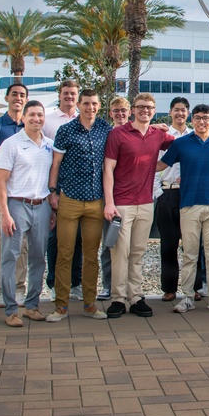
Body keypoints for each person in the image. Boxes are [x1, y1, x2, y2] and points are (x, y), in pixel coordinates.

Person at [103, 93, 175, 317]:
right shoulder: (118, 134)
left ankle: (135, 297)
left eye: (150, 107)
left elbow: (190, 142)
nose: (145, 110)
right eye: (141, 107)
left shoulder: (158, 135)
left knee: (137, 253)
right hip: (121, 203)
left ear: (154, 112)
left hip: (146, 202)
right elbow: (108, 169)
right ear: (133, 109)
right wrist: (109, 203)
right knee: (119, 253)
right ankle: (117, 298)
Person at [45, 89, 112, 323]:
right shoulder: (66, 130)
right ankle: (61, 305)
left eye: (94, 103)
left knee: (91, 255)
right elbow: (55, 164)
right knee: (65, 253)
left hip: (95, 201)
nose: (90, 108)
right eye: (86, 103)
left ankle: (89, 304)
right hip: (70, 199)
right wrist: (53, 192)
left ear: (99, 105)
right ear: (79, 105)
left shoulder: (106, 129)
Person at [158, 103, 209, 314]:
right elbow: (160, 165)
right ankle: (187, 296)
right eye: (197, 117)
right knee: (189, 253)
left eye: (205, 117)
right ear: (192, 120)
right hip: (188, 205)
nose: (201, 121)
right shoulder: (181, 143)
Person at [0, 100, 54, 327]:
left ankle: (32, 306)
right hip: (17, 204)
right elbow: (1, 182)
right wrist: (5, 213)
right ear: (24, 118)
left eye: (40, 115)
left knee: (38, 258)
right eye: (32, 115)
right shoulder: (11, 144)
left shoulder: (49, 145)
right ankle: (11, 310)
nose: (36, 119)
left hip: (42, 204)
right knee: (11, 256)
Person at [0, 83, 29, 308]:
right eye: (14, 95)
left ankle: (19, 286)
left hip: (23, 196)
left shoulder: (31, 126)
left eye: (22, 95)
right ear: (6, 98)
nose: (18, 98)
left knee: (22, 243)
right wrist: (4, 188)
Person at [154, 97, 206, 302]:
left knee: (193, 244)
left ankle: (195, 287)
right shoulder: (161, 136)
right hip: (168, 192)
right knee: (168, 243)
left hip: (190, 193)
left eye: (184, 110)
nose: (180, 113)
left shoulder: (196, 136)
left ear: (189, 114)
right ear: (170, 112)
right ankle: (169, 288)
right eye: (176, 110)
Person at [43, 80, 83, 301]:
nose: (69, 97)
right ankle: (54, 283)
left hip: (81, 187)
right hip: (57, 185)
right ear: (60, 95)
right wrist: (52, 190)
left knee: (78, 238)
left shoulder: (83, 119)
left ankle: (75, 283)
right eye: (66, 93)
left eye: (73, 94)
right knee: (56, 237)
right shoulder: (48, 121)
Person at [97, 95, 131, 300]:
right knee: (109, 242)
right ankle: (108, 285)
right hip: (110, 196)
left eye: (123, 111)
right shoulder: (106, 134)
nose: (120, 114)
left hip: (131, 197)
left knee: (131, 247)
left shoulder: (136, 132)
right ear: (111, 113)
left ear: (129, 113)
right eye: (116, 111)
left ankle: (128, 286)